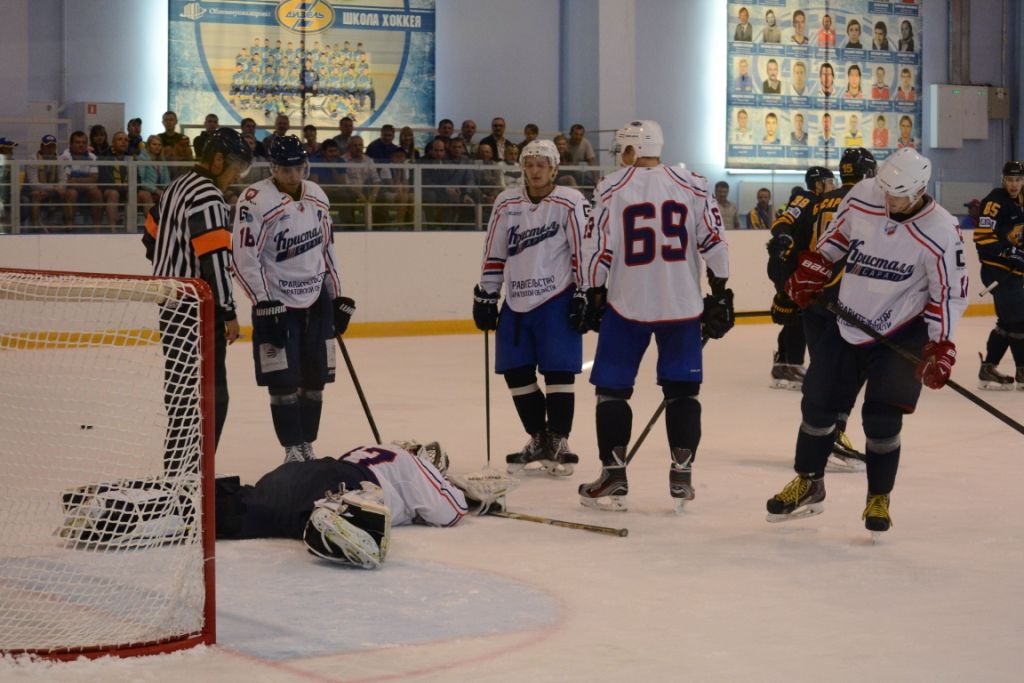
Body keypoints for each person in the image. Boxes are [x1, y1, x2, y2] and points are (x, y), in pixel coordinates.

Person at [766, 148, 967, 536]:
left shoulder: (941, 230)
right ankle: (809, 482)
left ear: (921, 190)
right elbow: (837, 236)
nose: (889, 201)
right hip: (848, 320)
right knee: (818, 405)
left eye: (899, 195)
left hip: (902, 331)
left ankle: (879, 497)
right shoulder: (863, 195)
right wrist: (816, 265)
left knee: (881, 418)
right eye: (886, 191)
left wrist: (941, 346)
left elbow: (949, 293)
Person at [576, 120, 732, 513]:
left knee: (612, 390)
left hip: (627, 305)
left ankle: (613, 474)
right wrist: (721, 292)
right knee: (683, 391)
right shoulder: (693, 183)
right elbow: (714, 241)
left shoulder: (611, 187)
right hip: (682, 306)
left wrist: (593, 291)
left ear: (631, 149)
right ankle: (682, 474)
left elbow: (598, 249)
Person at [472, 139, 592, 475]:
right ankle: (538, 437)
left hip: (557, 297)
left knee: (558, 371)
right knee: (515, 370)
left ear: (555, 168)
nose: (535, 170)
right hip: (516, 300)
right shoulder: (507, 202)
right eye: (530, 164)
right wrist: (487, 294)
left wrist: (585, 292)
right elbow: (494, 251)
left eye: (542, 164)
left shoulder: (570, 202)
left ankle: (559, 439)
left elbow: (584, 250)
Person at [232, 136, 353, 463]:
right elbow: (244, 258)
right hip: (276, 305)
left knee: (316, 380)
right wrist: (262, 301)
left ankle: (307, 444)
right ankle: (291, 449)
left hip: (316, 302)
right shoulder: (254, 199)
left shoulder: (317, 195)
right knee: (282, 381)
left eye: (298, 167)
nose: (292, 174)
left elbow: (327, 250)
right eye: (286, 168)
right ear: (273, 167)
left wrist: (338, 296)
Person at [145, 128, 252, 449]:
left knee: (180, 392)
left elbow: (150, 236)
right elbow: (214, 260)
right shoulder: (208, 195)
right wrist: (228, 312)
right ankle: (197, 473)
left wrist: (170, 264)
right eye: (234, 171)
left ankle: (177, 471)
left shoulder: (176, 186)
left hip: (168, 304)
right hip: (196, 312)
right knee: (212, 397)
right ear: (218, 160)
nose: (234, 179)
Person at [803, 148, 878, 471]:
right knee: (850, 371)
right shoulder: (868, 201)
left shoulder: (820, 200)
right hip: (845, 299)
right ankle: (833, 435)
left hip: (814, 296)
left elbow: (801, 243)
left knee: (822, 369)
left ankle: (823, 435)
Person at [766, 166, 834, 391]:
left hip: (801, 267)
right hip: (788, 264)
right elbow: (783, 221)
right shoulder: (805, 198)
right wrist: (783, 236)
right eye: (828, 181)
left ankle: (784, 362)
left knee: (797, 313)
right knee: (797, 314)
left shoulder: (826, 202)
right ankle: (791, 363)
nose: (832, 185)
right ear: (817, 183)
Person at [973, 161, 1024, 389]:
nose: (1014, 184)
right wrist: (1009, 251)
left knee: (1007, 322)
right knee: (1019, 320)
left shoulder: (1021, 202)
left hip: (1014, 272)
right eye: (1010, 179)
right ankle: (1022, 371)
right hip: (997, 272)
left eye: (1019, 179)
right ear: (1003, 179)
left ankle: (988, 368)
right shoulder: (995, 201)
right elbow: (982, 237)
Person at [25, 134, 65, 227]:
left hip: (54, 191)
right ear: (41, 146)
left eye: (52, 146)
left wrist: (57, 188)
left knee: (69, 193)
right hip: (33, 191)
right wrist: (54, 188)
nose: (50, 149)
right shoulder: (32, 159)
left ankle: (67, 227)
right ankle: (35, 227)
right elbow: (33, 184)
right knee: (36, 195)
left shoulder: (59, 159)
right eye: (47, 146)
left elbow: (63, 180)